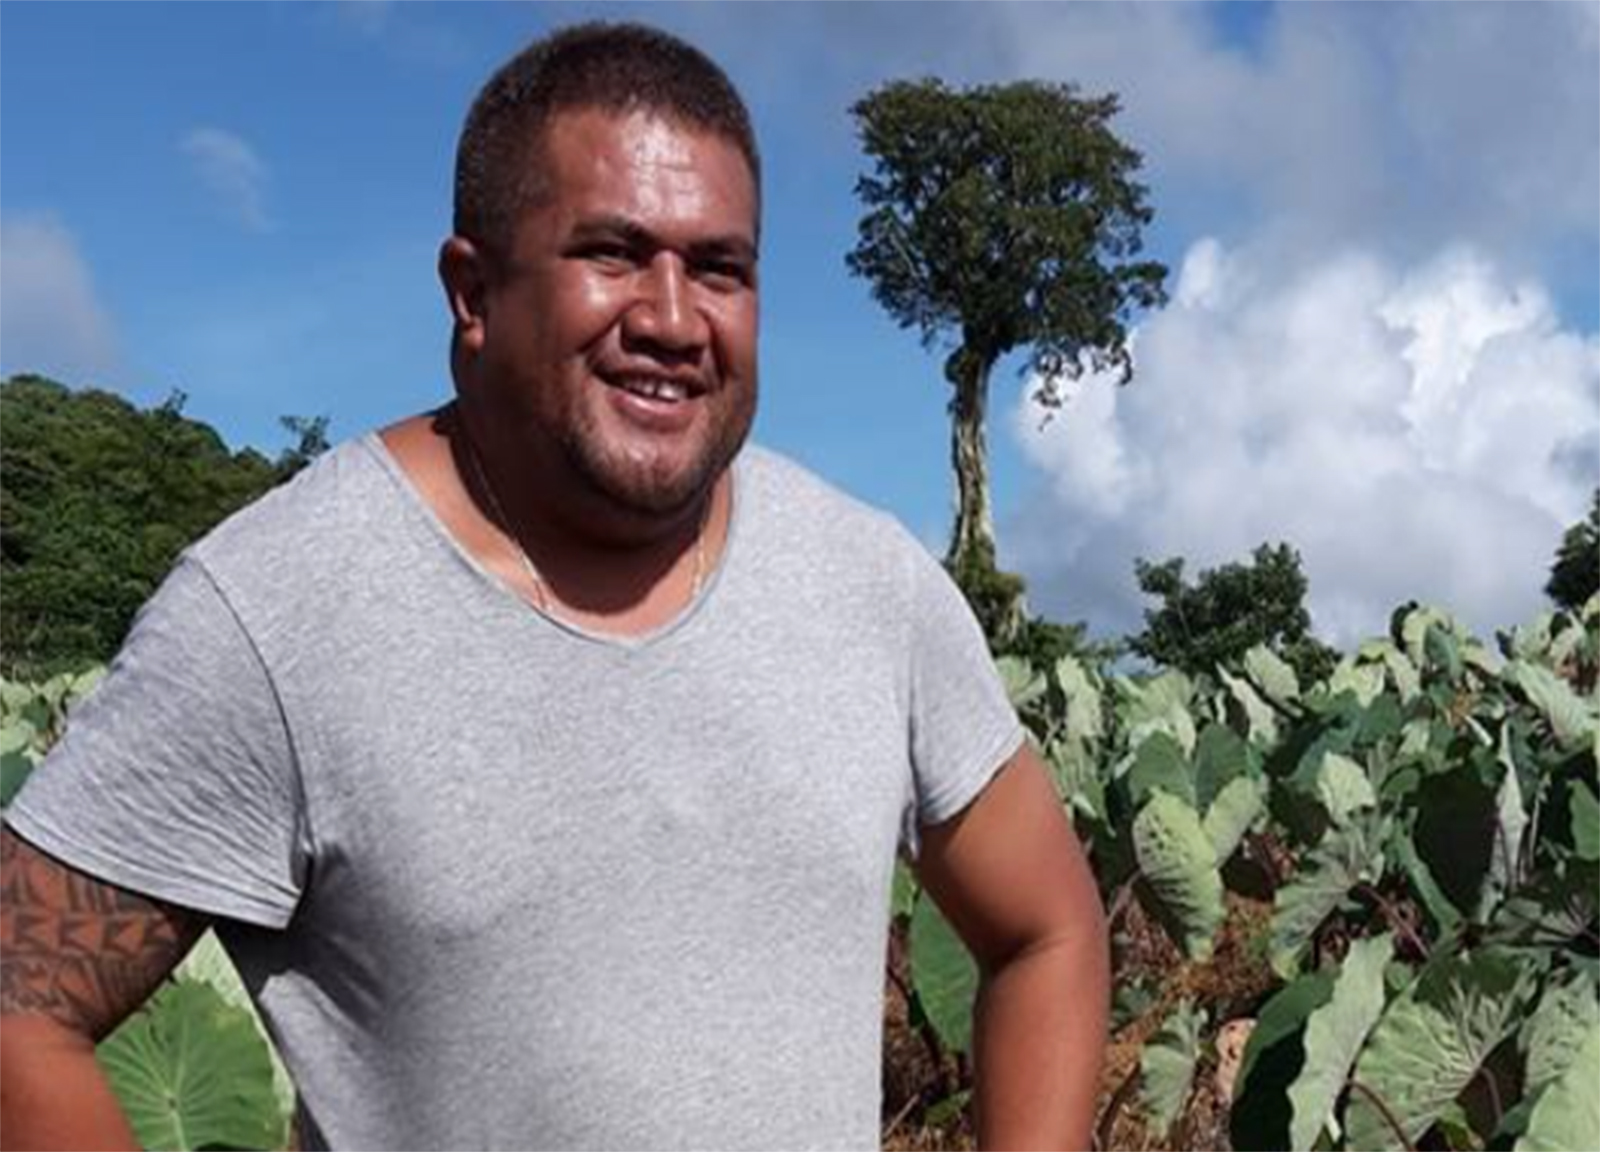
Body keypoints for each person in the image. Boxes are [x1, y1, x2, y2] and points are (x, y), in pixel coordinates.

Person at [0, 21, 1107, 1152]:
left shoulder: (872, 585)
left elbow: (1047, 929)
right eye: (612, 253)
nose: (674, 320)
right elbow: (17, 1011)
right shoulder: (280, 610)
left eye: (719, 267)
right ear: (471, 292)